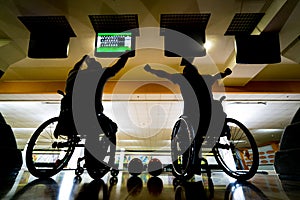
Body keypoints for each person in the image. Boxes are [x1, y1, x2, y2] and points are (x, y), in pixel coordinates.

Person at [144, 59, 232, 165]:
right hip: (211, 118)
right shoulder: (206, 78)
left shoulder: (182, 78)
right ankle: (224, 130)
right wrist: (226, 73)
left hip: (192, 117)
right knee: (217, 105)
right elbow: (217, 76)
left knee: (184, 136)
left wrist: (150, 70)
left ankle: (186, 161)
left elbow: (164, 74)